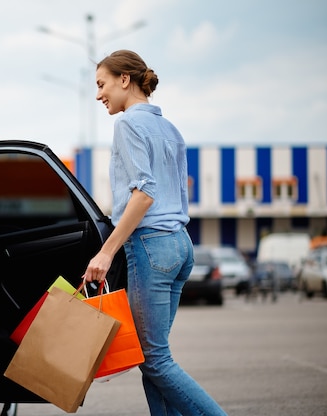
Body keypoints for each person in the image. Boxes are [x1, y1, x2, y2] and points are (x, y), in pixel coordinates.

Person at [83, 50, 227, 416]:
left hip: (150, 247)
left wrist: (107, 251)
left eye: (102, 84)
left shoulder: (127, 124)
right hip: (179, 245)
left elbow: (143, 194)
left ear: (124, 80)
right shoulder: (170, 128)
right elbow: (176, 193)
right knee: (154, 359)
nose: (98, 95)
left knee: (155, 360)